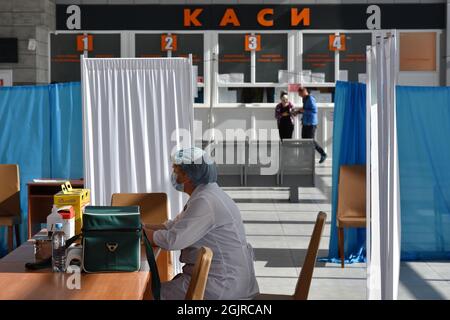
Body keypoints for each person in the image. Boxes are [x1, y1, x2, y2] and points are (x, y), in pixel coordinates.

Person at [143, 147, 260, 300]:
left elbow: (174, 240)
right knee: (154, 290)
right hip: (226, 279)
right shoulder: (207, 194)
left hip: (222, 286)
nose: (173, 175)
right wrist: (141, 226)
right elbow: (173, 226)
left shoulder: (205, 201)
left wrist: (142, 234)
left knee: (148, 295)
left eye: (176, 170)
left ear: (188, 176)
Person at [297, 85, 327, 164]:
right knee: (304, 141)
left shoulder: (310, 99)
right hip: (305, 123)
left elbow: (314, 111)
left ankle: (323, 154)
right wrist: (297, 112)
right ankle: (306, 158)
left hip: (311, 123)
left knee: (310, 141)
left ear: (304, 92)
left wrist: (303, 111)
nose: (299, 96)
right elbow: (305, 109)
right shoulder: (304, 99)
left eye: (300, 94)